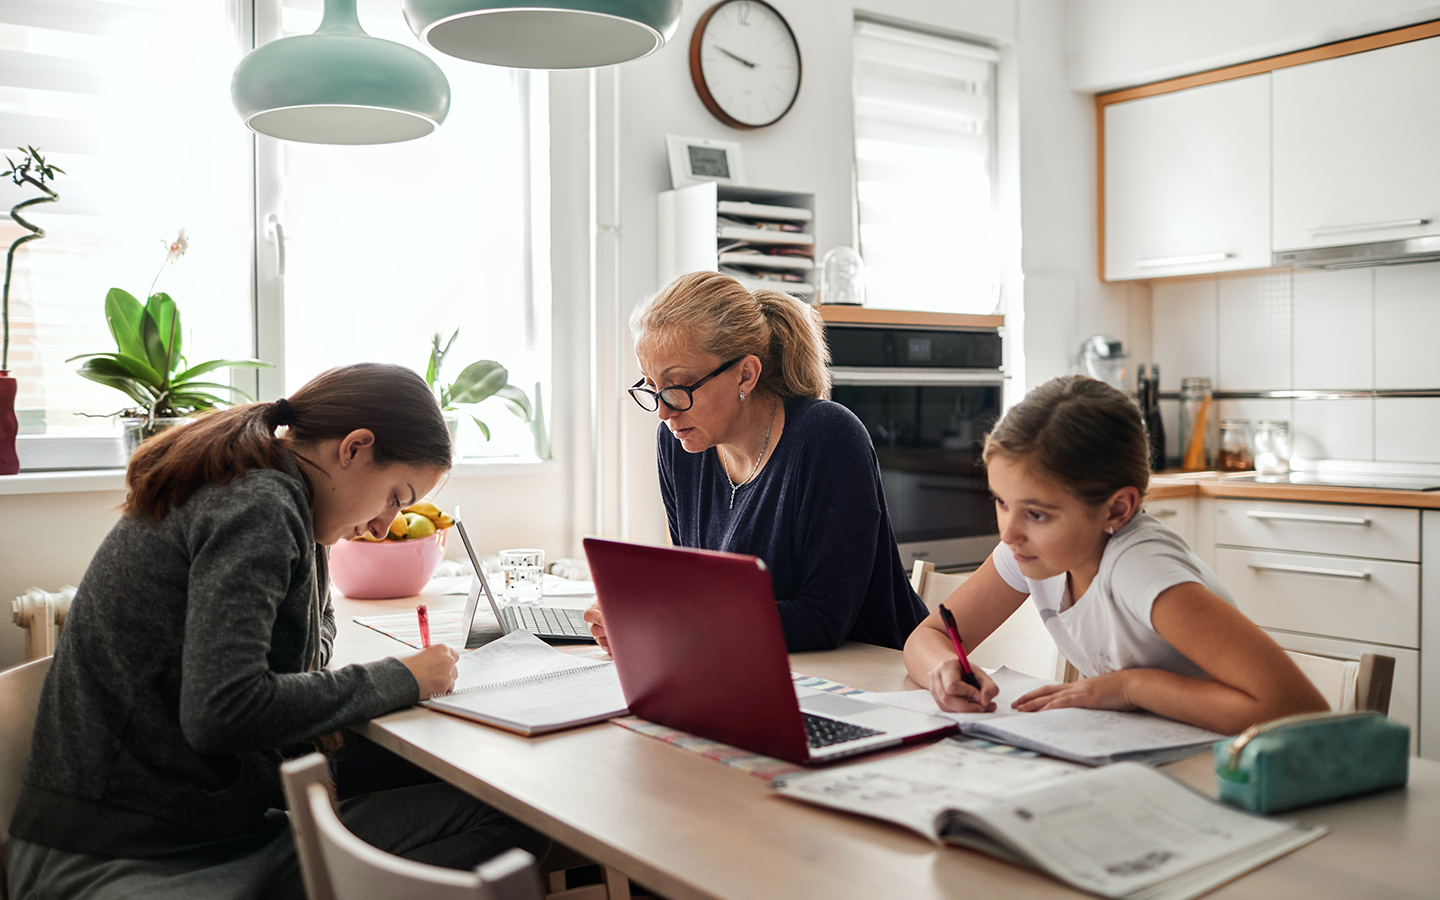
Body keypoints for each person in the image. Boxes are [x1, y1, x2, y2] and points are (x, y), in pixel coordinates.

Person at [7, 363, 548, 900]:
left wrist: (313, 703)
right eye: (396, 496)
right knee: (512, 835)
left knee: (503, 811)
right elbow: (224, 710)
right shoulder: (258, 504)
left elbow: (313, 635)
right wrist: (402, 678)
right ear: (355, 448)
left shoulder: (289, 496)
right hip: (127, 859)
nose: (386, 525)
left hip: (197, 826)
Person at [903, 375, 1328, 735]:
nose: (1009, 532)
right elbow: (928, 637)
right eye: (1001, 502)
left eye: (1036, 513)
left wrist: (1129, 687)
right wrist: (944, 669)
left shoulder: (1141, 570)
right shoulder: (1032, 550)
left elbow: (1298, 710)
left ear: (1117, 509)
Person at [583, 271, 927, 653]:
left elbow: (824, 619)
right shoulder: (679, 443)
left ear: (745, 374)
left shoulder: (829, 437)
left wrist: (673, 622)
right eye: (651, 387)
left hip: (876, 678)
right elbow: (699, 590)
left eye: (678, 388)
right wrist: (641, 616)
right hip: (754, 664)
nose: (663, 411)